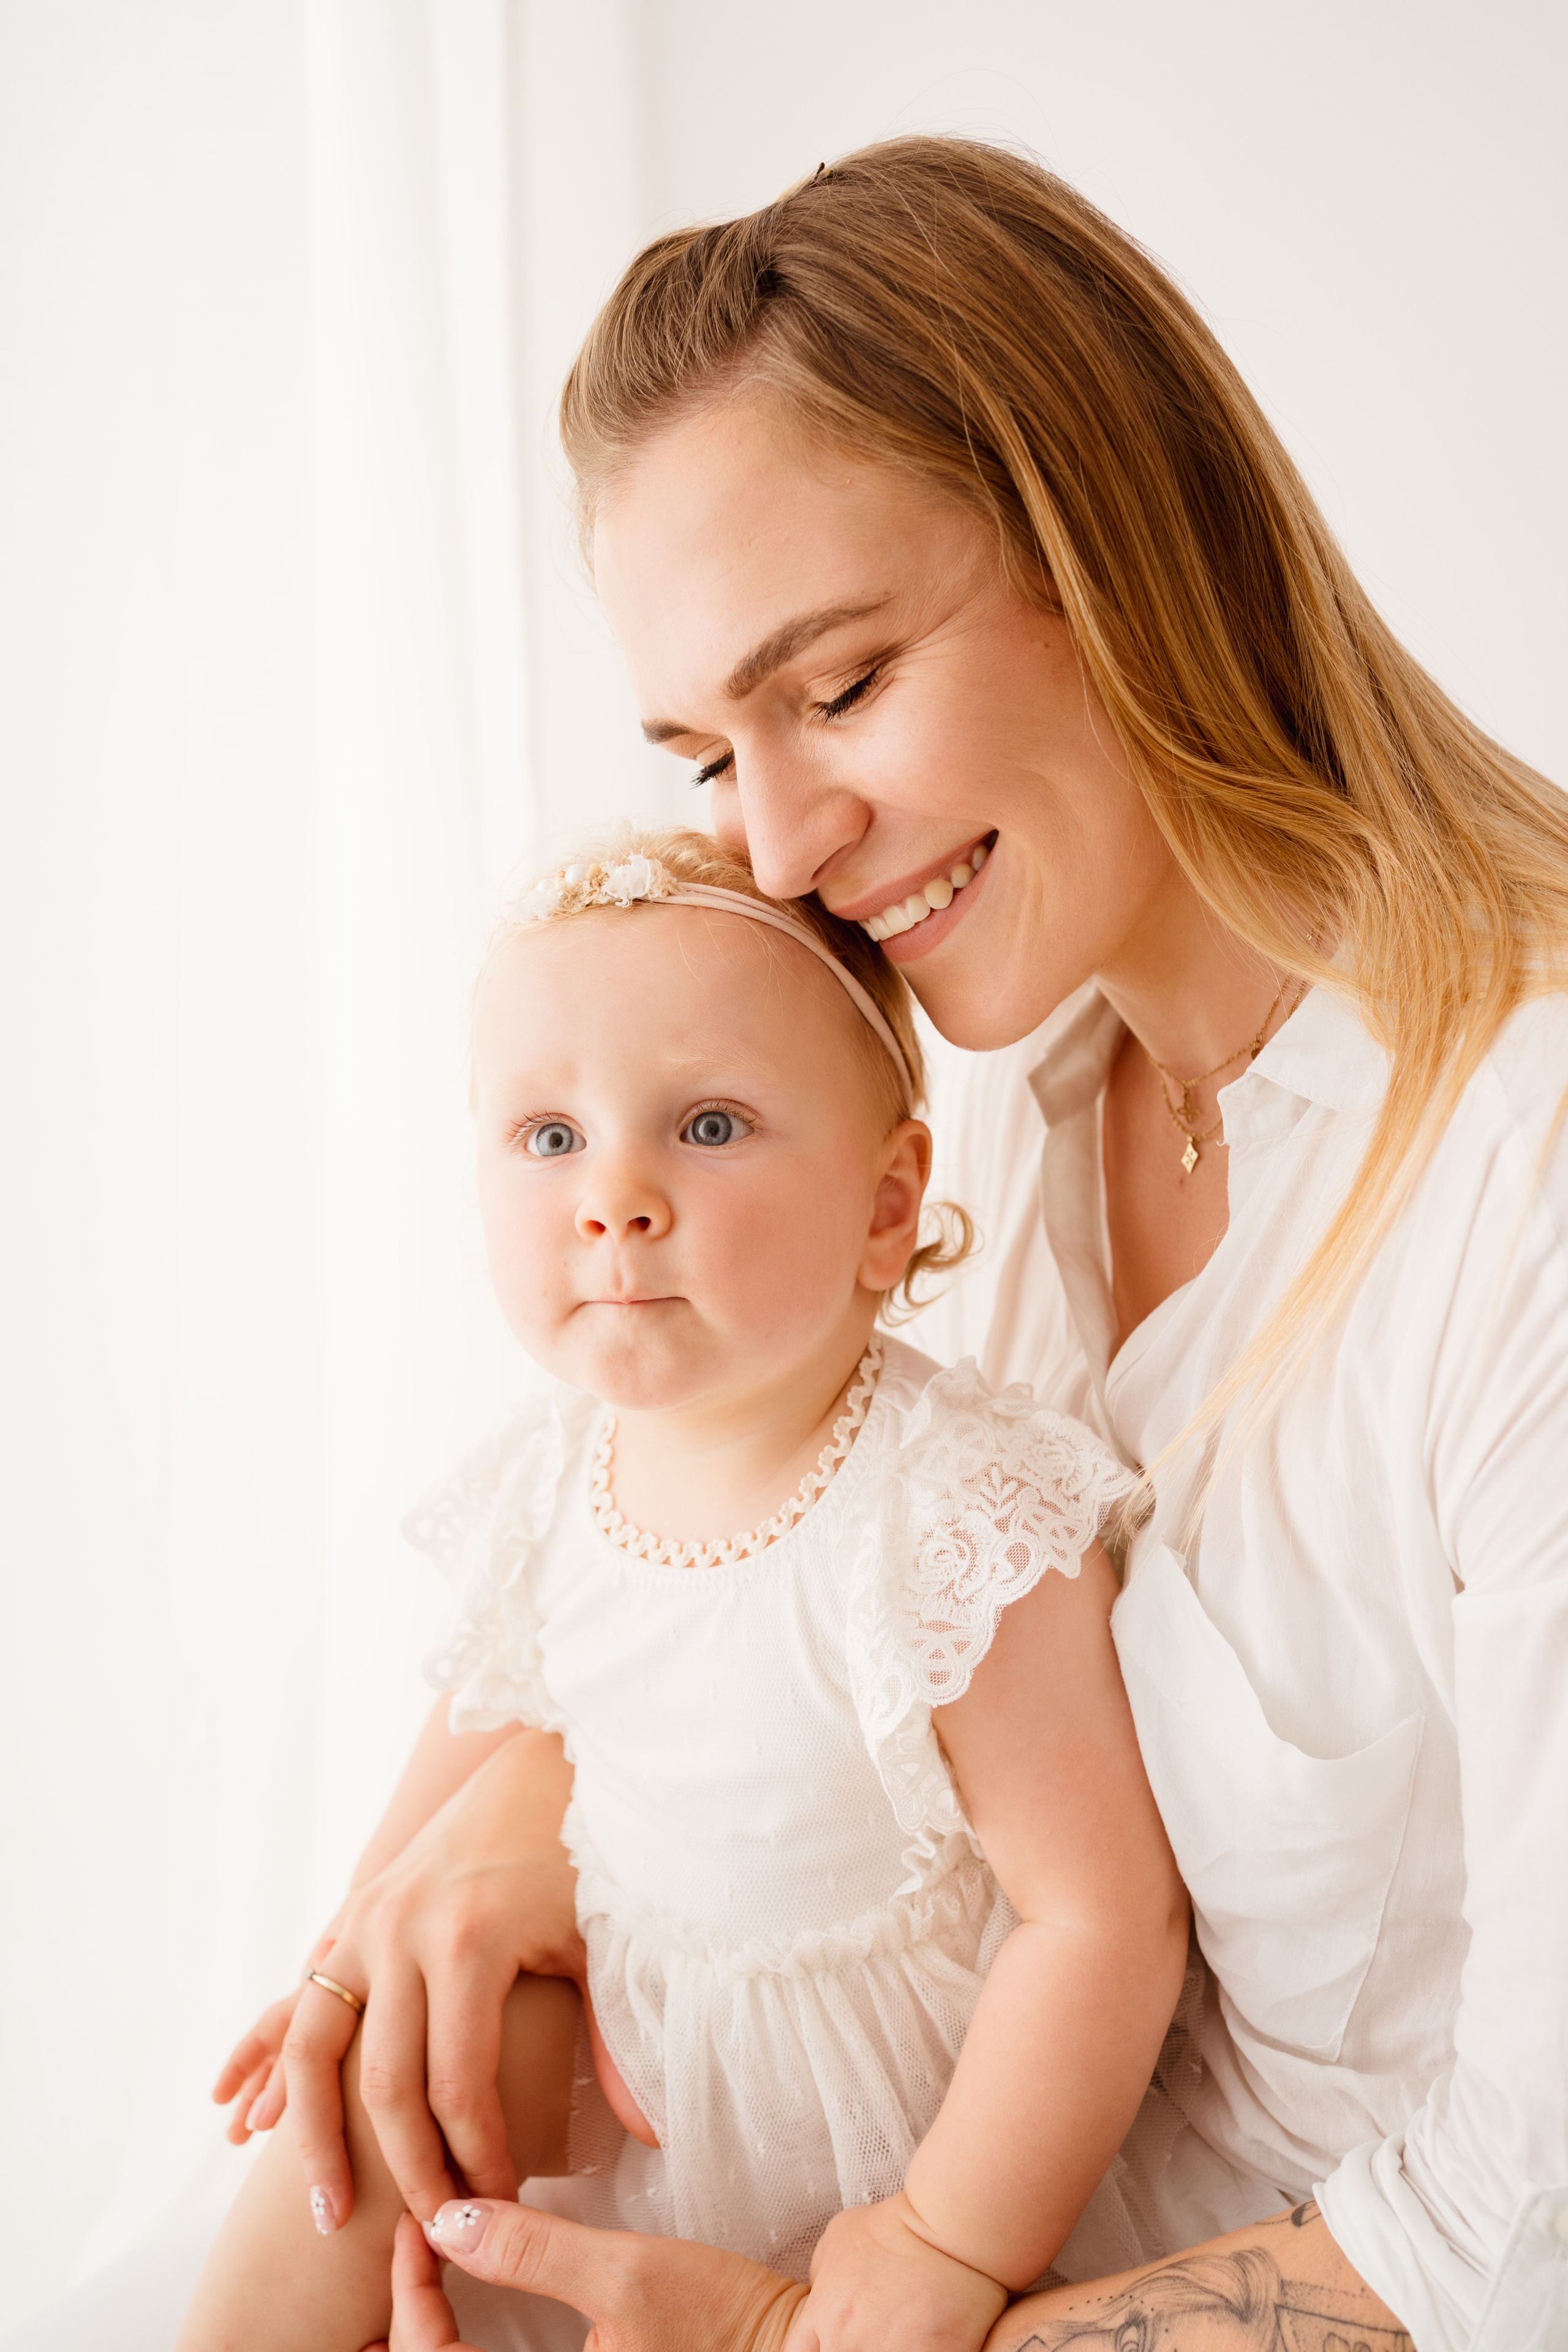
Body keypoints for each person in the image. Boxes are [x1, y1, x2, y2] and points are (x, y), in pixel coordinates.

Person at [217, 133, 1568, 2351]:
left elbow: (1530, 2234)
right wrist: (537, 1815)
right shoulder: (984, 1112)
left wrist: (813, 2339)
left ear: (1126, 549)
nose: (779, 842)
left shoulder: (1517, 1179)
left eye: (836, 688)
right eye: (705, 749)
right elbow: (812, 1558)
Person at [176, 826, 1190, 2352]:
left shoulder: (944, 1509)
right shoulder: (551, 1476)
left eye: (707, 1126)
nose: (616, 1198)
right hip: (626, 2049)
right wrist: (344, 1952)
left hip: (877, 2143)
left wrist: (946, 2238)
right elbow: (467, 1747)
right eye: (546, 1138)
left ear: (882, 1204)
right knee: (368, 2091)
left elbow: (1102, 1919)